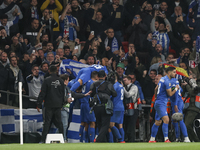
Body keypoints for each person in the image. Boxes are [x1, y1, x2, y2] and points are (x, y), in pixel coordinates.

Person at [37, 65, 71, 143]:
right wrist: (62, 103)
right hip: (58, 105)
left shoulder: (47, 80)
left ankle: (43, 140)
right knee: (59, 123)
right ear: (56, 71)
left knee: (47, 122)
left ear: (49, 71)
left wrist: (39, 104)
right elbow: (63, 94)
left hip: (49, 104)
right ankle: (62, 138)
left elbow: (43, 93)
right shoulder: (61, 81)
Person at [149, 67, 179, 143]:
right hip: (161, 103)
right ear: (169, 72)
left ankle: (152, 139)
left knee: (158, 122)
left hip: (159, 102)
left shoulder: (162, 79)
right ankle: (166, 139)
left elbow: (156, 89)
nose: (175, 74)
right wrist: (176, 89)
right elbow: (170, 94)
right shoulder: (166, 81)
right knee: (166, 120)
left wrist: (156, 97)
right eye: (174, 72)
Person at [59, 74, 91, 142]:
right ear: (65, 80)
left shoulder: (67, 88)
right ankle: (63, 139)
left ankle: (58, 138)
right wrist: (65, 100)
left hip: (66, 108)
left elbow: (74, 95)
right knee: (64, 125)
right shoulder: (60, 88)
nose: (68, 81)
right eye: (67, 80)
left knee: (63, 125)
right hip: (62, 108)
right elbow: (57, 97)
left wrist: (84, 95)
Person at [90, 70, 117, 142]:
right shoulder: (108, 84)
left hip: (96, 106)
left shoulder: (94, 84)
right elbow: (114, 94)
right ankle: (98, 140)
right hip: (105, 106)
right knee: (105, 125)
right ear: (105, 76)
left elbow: (91, 94)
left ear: (97, 77)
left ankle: (103, 141)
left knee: (99, 124)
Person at [79, 71, 99, 143]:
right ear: (96, 76)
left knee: (84, 123)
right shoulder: (93, 83)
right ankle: (92, 141)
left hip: (83, 103)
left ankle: (83, 140)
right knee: (92, 122)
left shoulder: (85, 82)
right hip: (89, 104)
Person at [170, 78, 190, 142]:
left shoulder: (172, 81)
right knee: (174, 120)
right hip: (177, 102)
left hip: (177, 103)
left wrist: (175, 104)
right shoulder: (174, 81)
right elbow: (180, 90)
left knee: (179, 119)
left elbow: (176, 93)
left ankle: (186, 137)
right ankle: (178, 138)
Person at [108, 72, 125, 143]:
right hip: (121, 107)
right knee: (120, 125)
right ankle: (122, 141)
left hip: (116, 107)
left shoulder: (115, 86)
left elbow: (111, 96)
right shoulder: (121, 86)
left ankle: (119, 138)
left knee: (111, 125)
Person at [123, 75, 140, 142]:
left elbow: (128, 95)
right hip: (127, 109)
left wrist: (123, 88)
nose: (124, 81)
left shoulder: (134, 87)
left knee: (131, 126)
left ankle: (131, 141)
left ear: (130, 80)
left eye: (125, 80)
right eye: (123, 80)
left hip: (133, 109)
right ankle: (127, 140)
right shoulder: (126, 87)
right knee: (126, 125)